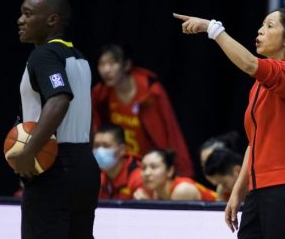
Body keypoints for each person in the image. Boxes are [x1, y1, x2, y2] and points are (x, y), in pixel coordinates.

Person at [174, 8, 285, 238]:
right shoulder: (259, 86)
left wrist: (212, 28)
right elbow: (254, 144)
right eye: (261, 25)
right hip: (258, 190)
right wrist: (237, 192)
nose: (260, 31)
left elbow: (248, 64)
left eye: (270, 26)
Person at [9, 0, 100, 239]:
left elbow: (59, 99)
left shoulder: (44, 54)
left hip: (53, 167)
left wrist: (29, 152)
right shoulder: (80, 59)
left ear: (52, 20)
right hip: (84, 166)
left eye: (27, 14)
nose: (20, 20)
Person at [91, 43, 194, 177]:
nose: (106, 70)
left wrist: (181, 169)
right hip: (121, 165)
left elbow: (171, 131)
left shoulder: (151, 92)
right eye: (101, 64)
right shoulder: (100, 95)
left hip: (149, 166)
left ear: (126, 65)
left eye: (112, 63)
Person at [133, 149, 217, 201]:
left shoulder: (182, 190)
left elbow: (175, 226)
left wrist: (148, 205)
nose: (147, 173)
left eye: (153, 167)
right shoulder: (156, 192)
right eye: (143, 168)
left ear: (170, 171)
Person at [93, 123, 144, 199]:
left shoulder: (139, 178)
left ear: (122, 150)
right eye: (96, 145)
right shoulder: (97, 178)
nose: (100, 151)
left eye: (106, 146)